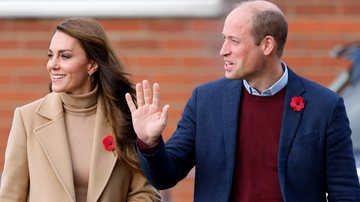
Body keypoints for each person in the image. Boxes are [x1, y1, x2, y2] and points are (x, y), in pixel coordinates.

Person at [125, 0, 360, 201]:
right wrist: (150, 143)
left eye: (234, 41)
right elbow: (166, 175)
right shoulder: (205, 100)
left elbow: (345, 193)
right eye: (224, 39)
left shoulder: (325, 106)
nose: (223, 50)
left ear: (267, 45)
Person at [0, 17, 161, 202]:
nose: (52, 64)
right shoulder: (27, 118)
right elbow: (10, 196)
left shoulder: (126, 118)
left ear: (92, 65)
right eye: (50, 55)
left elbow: (146, 195)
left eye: (65, 56)